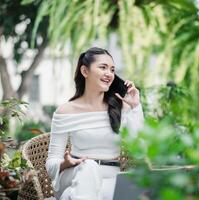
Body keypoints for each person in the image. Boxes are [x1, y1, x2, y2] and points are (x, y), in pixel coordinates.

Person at [46, 47, 144, 199]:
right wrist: (66, 163)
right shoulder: (65, 111)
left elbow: (140, 148)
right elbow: (51, 162)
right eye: (103, 67)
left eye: (112, 70)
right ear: (85, 71)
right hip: (74, 174)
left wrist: (135, 107)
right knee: (88, 167)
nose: (109, 74)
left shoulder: (121, 107)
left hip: (110, 178)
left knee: (72, 195)